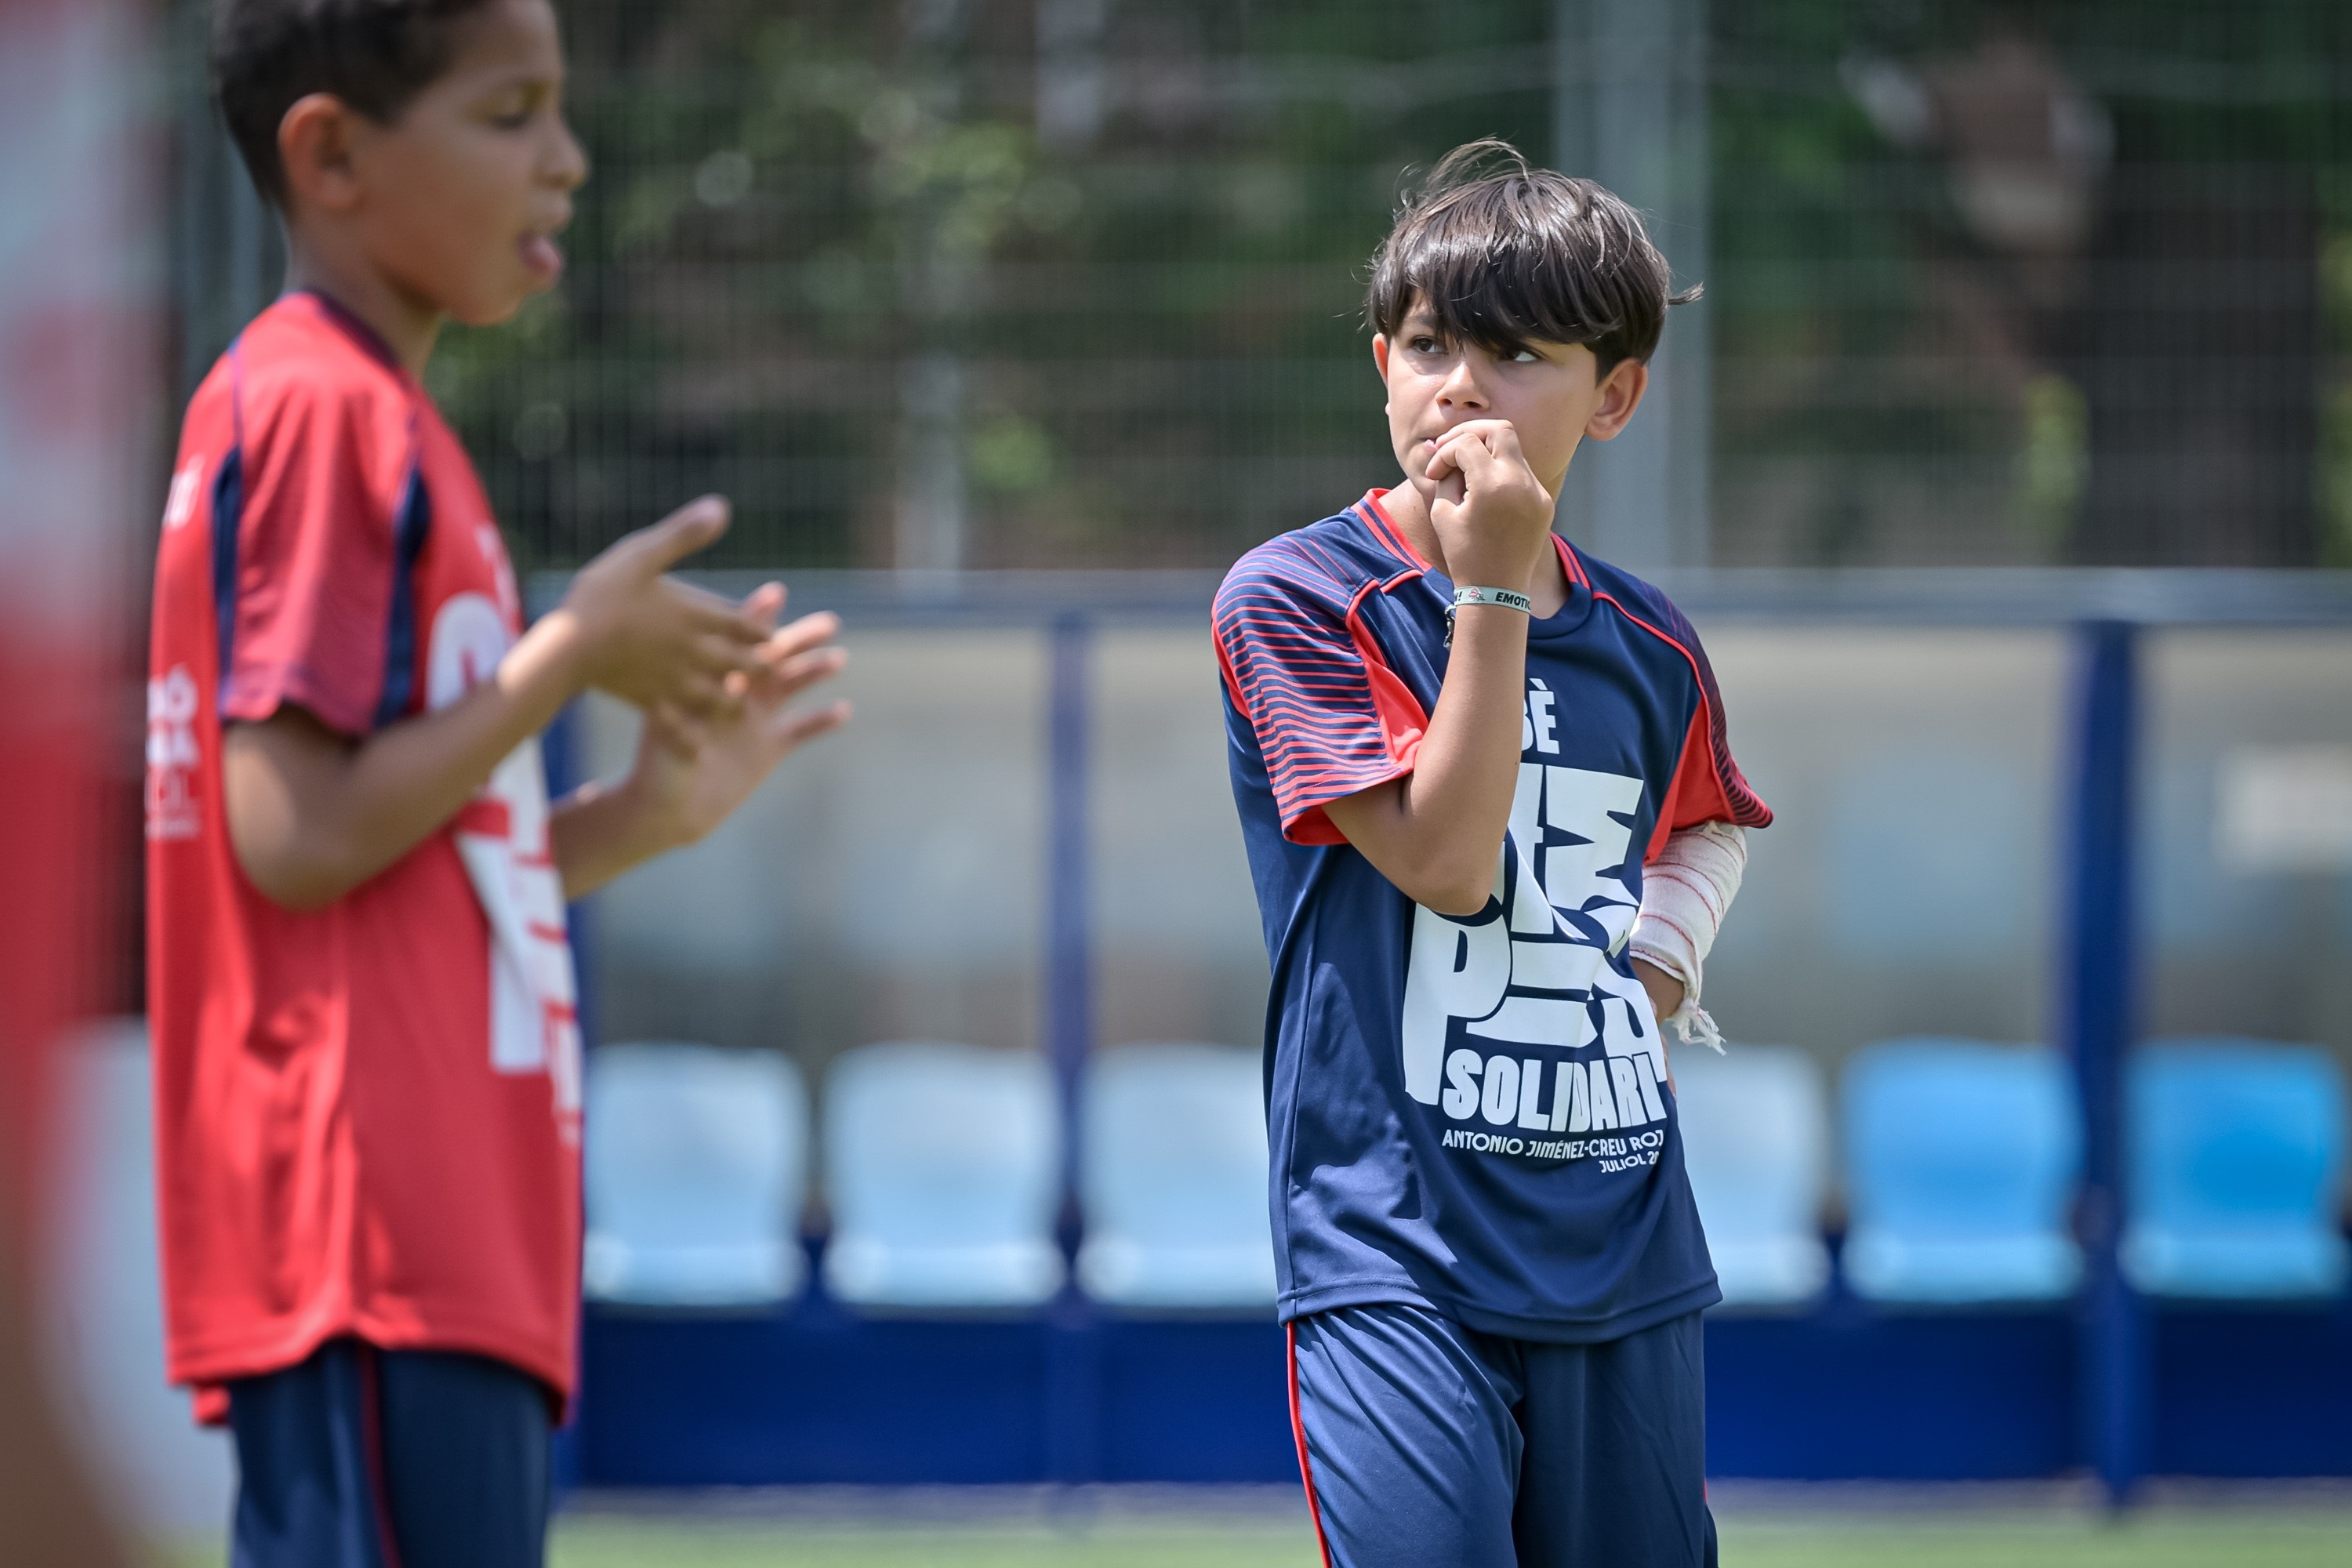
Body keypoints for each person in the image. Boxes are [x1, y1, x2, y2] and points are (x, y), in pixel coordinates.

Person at [147, 3, 851, 1564]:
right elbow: (294, 833)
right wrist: (567, 654)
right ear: (332, 154)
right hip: (371, 1240)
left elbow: (400, 857)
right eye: (511, 112)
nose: (568, 160)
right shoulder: (319, 407)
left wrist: (644, 819)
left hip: (440, 1246)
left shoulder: (389, 426)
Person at [1212, 140, 1770, 1568]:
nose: (1459, 385)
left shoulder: (1649, 640)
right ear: (1382, 367)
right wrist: (1493, 592)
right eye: (1428, 346)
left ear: (1615, 397)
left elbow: (1707, 817)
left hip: (1622, 1236)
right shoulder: (1301, 596)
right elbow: (1449, 866)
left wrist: (1650, 973)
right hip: (1394, 1245)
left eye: (1518, 353)